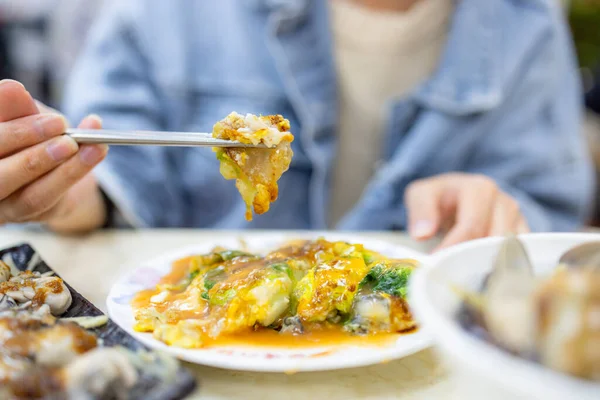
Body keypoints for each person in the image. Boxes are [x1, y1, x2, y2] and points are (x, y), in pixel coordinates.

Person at [0, 0, 594, 250]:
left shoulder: (526, 24)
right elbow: (107, 182)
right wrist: (62, 187)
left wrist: (498, 214)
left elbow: (550, 217)